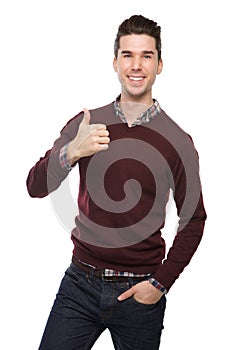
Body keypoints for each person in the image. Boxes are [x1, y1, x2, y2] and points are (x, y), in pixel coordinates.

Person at [27, 15, 207, 350]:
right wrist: (71, 152)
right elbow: (35, 186)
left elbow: (194, 219)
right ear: (115, 62)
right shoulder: (87, 124)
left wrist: (160, 283)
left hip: (139, 294)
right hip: (79, 284)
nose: (136, 65)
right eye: (128, 55)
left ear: (160, 64)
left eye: (146, 55)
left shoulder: (178, 141)